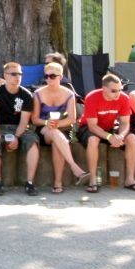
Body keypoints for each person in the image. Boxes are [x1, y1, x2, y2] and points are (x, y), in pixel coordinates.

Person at [78, 72, 135, 193]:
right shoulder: (92, 97)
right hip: (89, 127)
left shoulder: (124, 98)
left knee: (132, 138)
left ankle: (130, 179)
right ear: (104, 89)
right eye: (114, 91)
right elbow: (92, 126)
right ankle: (93, 180)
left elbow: (125, 123)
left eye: (120, 89)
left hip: (110, 127)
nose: (118, 93)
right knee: (93, 140)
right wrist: (109, 137)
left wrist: (120, 136)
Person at [31, 61, 89, 193]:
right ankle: (75, 168)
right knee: (54, 133)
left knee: (57, 141)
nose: (48, 79)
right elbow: (35, 119)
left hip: (63, 128)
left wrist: (57, 124)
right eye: (46, 76)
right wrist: (47, 123)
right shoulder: (38, 94)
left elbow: (72, 119)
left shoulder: (69, 94)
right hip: (44, 129)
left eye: (52, 76)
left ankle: (58, 183)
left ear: (60, 77)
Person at [0, 61, 39, 196]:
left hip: (20, 128)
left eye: (20, 74)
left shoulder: (26, 94)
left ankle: (30, 183)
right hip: (0, 126)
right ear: (5, 75)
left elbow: (24, 121)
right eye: (14, 74)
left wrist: (17, 137)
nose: (18, 77)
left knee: (33, 142)